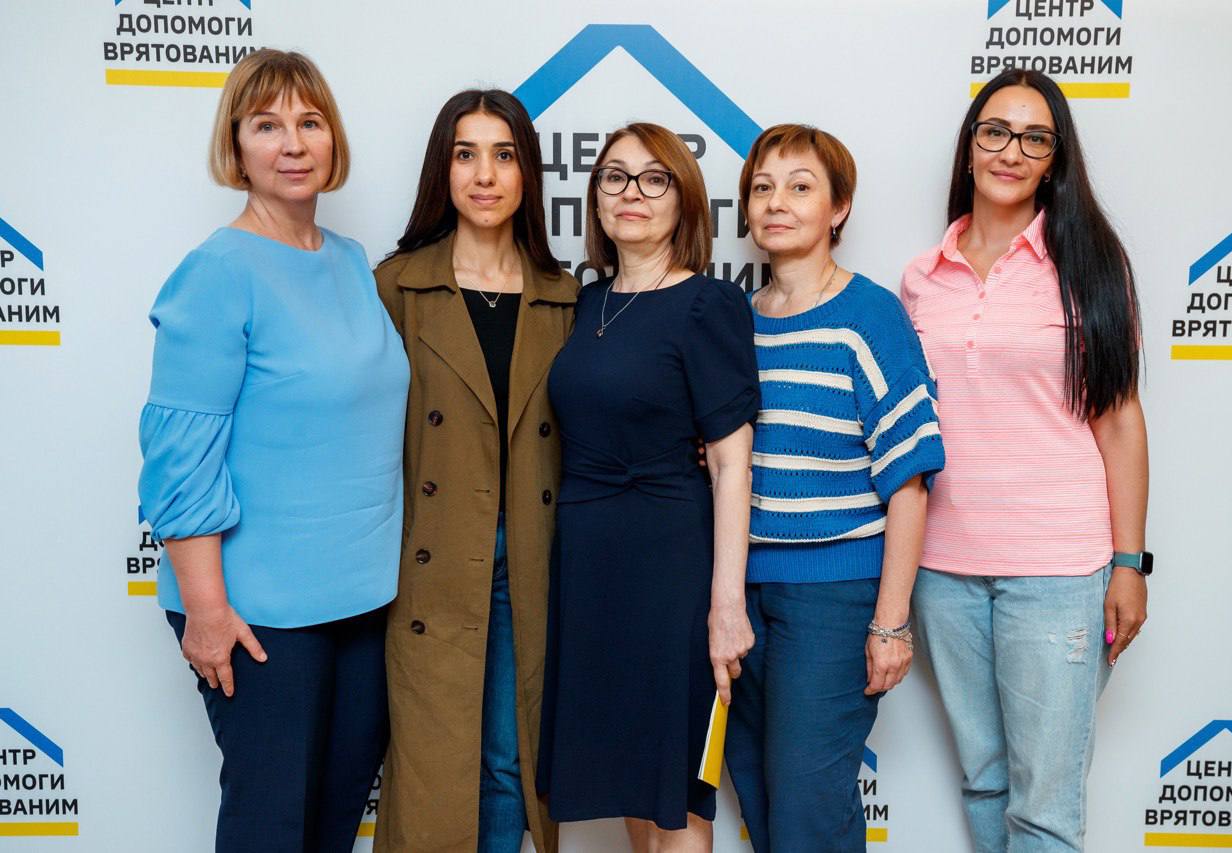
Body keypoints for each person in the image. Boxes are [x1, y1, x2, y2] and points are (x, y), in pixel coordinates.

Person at [137, 49, 408, 852]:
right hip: (258, 613)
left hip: (363, 604)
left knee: (330, 827)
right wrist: (207, 611)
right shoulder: (218, 271)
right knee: (270, 827)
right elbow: (180, 456)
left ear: (333, 140)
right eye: (267, 125)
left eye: (309, 122)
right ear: (237, 145)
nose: (292, 143)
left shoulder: (350, 261)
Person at [901, 69, 1150, 853]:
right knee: (985, 781)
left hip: (1059, 571)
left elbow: (1119, 421)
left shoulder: (1090, 266)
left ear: (1054, 160)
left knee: (1043, 806)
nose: (1012, 151)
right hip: (942, 569)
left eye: (1035, 138)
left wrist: (1130, 562)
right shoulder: (921, 277)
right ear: (970, 146)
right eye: (996, 132)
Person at [536, 122, 759, 853]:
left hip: (672, 574)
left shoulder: (708, 304)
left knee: (676, 799)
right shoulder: (584, 304)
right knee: (630, 784)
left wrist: (726, 606)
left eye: (653, 177)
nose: (632, 192)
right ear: (596, 199)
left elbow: (730, 464)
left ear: (683, 198)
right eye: (615, 176)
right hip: (588, 574)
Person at [723, 124, 945, 853]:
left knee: (807, 816)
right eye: (762, 187)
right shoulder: (736, 323)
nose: (776, 202)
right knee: (762, 803)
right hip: (740, 596)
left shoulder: (869, 316)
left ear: (839, 207)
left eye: (800, 186)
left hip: (833, 598)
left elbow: (910, 479)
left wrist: (891, 623)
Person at [372, 89, 577, 853]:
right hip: (427, 562)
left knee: (508, 763)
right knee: (432, 771)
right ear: (443, 169)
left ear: (528, 172)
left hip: (530, 559)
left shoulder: (565, 297)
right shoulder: (397, 286)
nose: (484, 175)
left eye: (503, 154)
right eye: (466, 154)